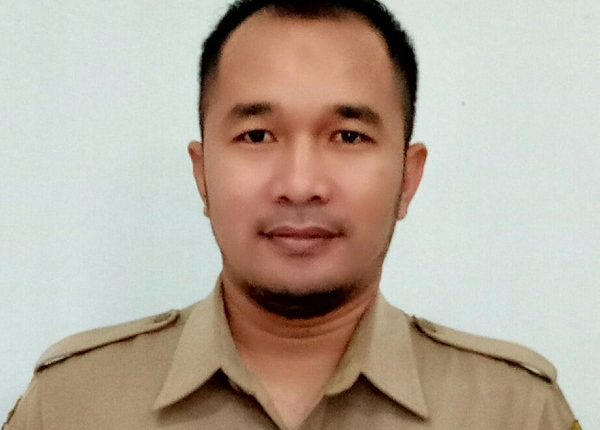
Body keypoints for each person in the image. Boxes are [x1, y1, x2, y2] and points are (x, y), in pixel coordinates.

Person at [4, 0, 580, 429]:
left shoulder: (514, 411)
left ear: (408, 177)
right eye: (257, 135)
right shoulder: (72, 404)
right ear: (203, 174)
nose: (300, 186)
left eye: (348, 136)